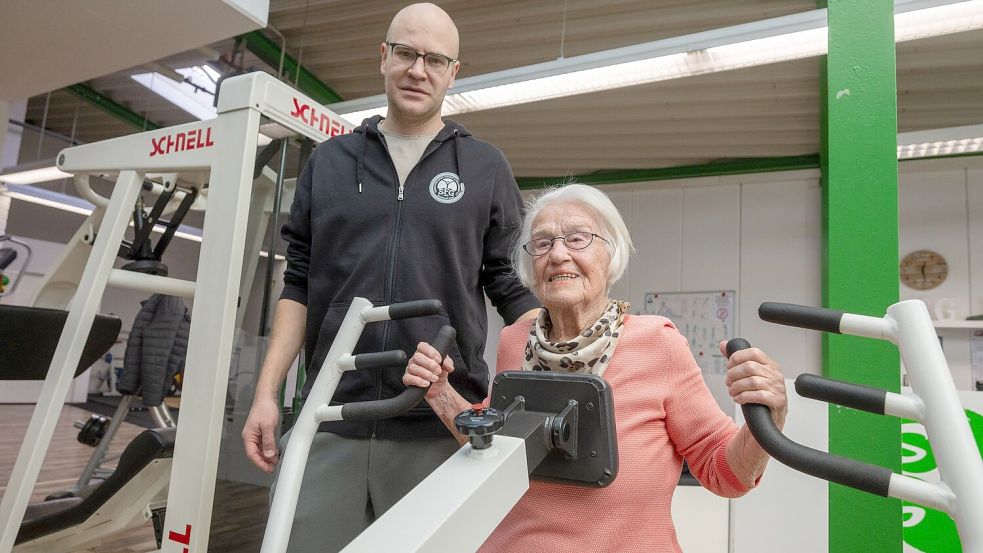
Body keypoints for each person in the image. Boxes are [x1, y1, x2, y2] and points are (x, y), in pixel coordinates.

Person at [241, 3, 540, 551]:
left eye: (435, 59)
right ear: (383, 57)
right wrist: (266, 394)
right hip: (330, 417)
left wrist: (572, 341)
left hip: (441, 423)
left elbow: (508, 284)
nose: (417, 69)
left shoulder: (484, 167)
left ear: (454, 72)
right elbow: (298, 283)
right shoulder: (329, 163)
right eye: (405, 53)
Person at [404, 183, 788, 552]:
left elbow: (724, 471)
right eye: (543, 242)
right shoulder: (515, 340)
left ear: (611, 255)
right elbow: (491, 442)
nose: (557, 255)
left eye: (577, 238)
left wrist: (766, 420)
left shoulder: (658, 344)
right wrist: (440, 391)